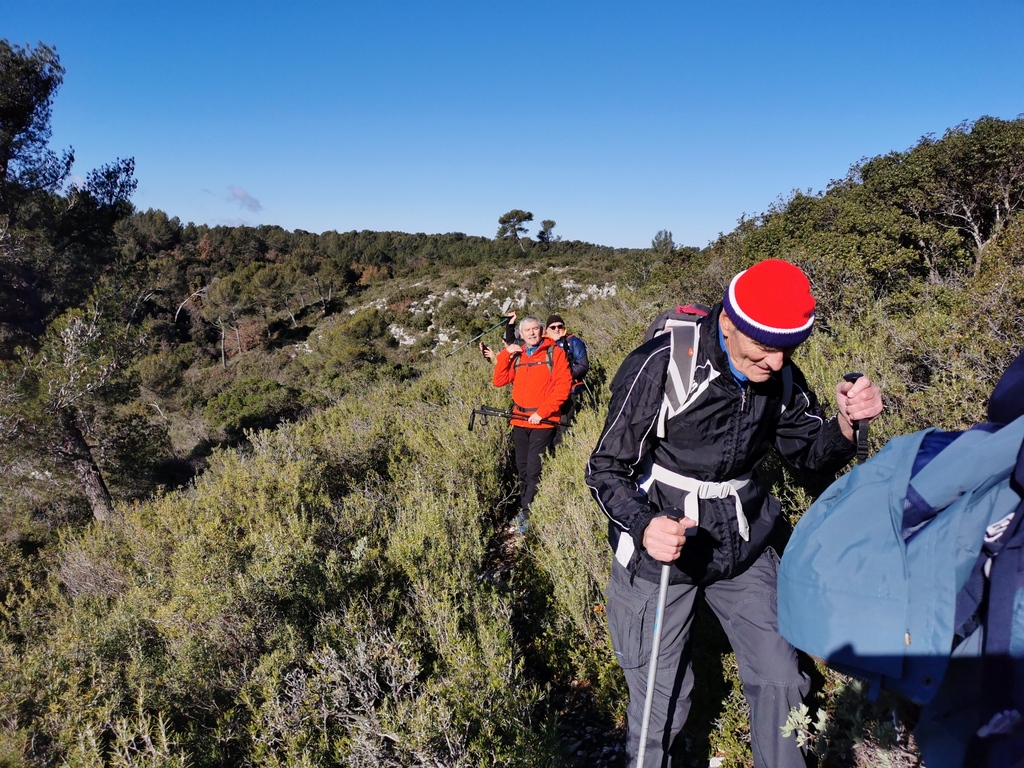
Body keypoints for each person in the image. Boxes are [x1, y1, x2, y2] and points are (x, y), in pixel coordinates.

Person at [585, 259, 884, 767]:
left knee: (782, 679)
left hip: (741, 548)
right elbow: (605, 468)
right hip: (661, 552)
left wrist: (845, 424)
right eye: (764, 348)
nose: (775, 362)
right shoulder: (662, 363)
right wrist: (644, 524)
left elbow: (808, 454)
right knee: (661, 700)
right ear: (727, 323)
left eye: (788, 349)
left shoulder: (782, 376)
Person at [492, 315, 572, 531]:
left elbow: (562, 388)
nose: (532, 333)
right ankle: (525, 508)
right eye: (527, 330)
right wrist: (505, 354)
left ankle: (529, 515)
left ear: (542, 330)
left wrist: (542, 412)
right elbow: (499, 380)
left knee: (535, 468)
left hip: (543, 421)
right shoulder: (518, 355)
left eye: (535, 329)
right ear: (521, 334)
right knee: (522, 468)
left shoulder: (555, 353)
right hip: (519, 420)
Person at [545, 314, 590, 432]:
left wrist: (565, 377)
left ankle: (563, 447)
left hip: (569, 388)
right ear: (547, 330)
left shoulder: (574, 342)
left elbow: (583, 365)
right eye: (553, 327)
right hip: (547, 390)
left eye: (560, 326)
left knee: (564, 424)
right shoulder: (543, 344)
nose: (557, 329)